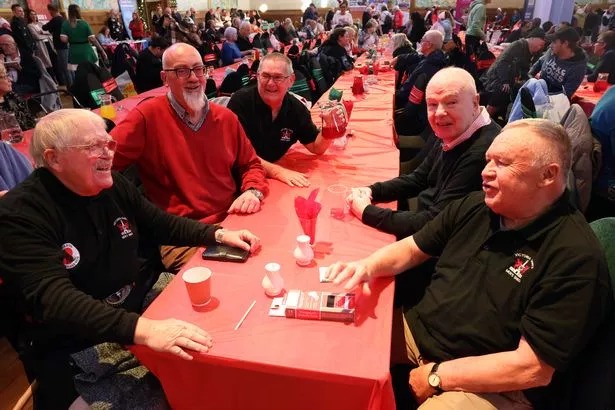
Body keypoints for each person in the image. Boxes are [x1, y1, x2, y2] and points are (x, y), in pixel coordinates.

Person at [328, 118, 612, 409]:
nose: (486, 172)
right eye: (488, 160)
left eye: (502, 163)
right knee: (335, 349)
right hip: (419, 334)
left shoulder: (575, 256)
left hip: (494, 386)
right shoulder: (476, 205)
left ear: (547, 175)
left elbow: (532, 369)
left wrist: (438, 376)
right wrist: (367, 266)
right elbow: (412, 249)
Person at [0, 108, 261, 409]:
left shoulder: (111, 183)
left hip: (141, 298)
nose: (107, 153)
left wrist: (216, 235)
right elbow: (55, 300)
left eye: (108, 143)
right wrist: (146, 330)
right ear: (54, 158)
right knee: (170, 397)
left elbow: (159, 223)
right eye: (92, 147)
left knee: (230, 341)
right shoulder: (21, 215)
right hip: (78, 340)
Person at [110, 43, 268, 272]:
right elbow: (101, 161)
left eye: (199, 69)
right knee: (231, 281)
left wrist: (253, 190)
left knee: (274, 262)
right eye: (182, 71)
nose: (194, 78)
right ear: (165, 78)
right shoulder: (147, 117)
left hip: (233, 218)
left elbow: (251, 164)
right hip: (182, 234)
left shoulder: (225, 118)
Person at [352, 67, 500, 240]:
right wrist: (371, 190)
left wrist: (367, 212)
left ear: (475, 103)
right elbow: (419, 178)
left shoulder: (483, 153)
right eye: (432, 104)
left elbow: (435, 223)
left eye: (451, 102)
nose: (439, 113)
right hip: (427, 218)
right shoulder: (454, 129)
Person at [227, 53, 333, 187]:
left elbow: (315, 146)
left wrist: (330, 129)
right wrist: (278, 172)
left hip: (271, 178)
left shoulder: (296, 108)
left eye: (278, 77)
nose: (270, 83)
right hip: (239, 180)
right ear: (258, 76)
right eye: (265, 76)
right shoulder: (240, 102)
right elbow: (240, 154)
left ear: (291, 80)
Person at [480, 28, 546, 117]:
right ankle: (486, 118)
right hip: (497, 77)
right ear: (532, 38)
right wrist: (505, 81)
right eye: (540, 44)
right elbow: (502, 62)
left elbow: (524, 69)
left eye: (542, 46)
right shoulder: (518, 45)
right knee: (502, 91)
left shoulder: (531, 52)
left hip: (510, 79)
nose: (540, 47)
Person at [394, 30, 447, 137]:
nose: (420, 42)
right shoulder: (436, 58)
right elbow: (417, 57)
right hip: (425, 115)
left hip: (418, 120)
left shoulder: (427, 67)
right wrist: (400, 58)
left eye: (422, 40)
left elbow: (405, 96)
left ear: (428, 45)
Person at [529, 27, 586, 97]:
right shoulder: (552, 51)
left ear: (565, 43)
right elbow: (539, 63)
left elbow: (565, 94)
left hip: (553, 103)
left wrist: (542, 95)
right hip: (536, 93)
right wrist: (529, 78)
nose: (550, 45)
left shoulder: (578, 67)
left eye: (554, 42)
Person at [61, 5, 108, 69]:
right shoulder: (84, 23)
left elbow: (63, 39)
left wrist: (72, 38)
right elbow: (93, 39)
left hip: (74, 51)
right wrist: (102, 50)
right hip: (86, 51)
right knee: (90, 72)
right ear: (79, 12)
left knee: (78, 73)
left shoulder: (65, 24)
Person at [0, 62, 36, 130]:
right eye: (5, 76)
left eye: (7, 75)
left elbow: (30, 123)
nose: (10, 79)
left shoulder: (12, 96)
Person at [43, 4, 70, 87]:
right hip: (66, 45)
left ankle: (70, 88)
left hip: (61, 46)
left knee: (65, 68)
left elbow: (45, 27)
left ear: (52, 10)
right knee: (69, 67)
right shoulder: (63, 19)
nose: (49, 13)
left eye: (49, 11)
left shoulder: (56, 19)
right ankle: (72, 86)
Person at [465, 0, 489, 71]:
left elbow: (470, 25)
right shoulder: (481, 7)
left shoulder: (476, 6)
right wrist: (484, 36)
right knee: (473, 64)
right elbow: (475, 26)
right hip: (473, 37)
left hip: (470, 36)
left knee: (469, 63)